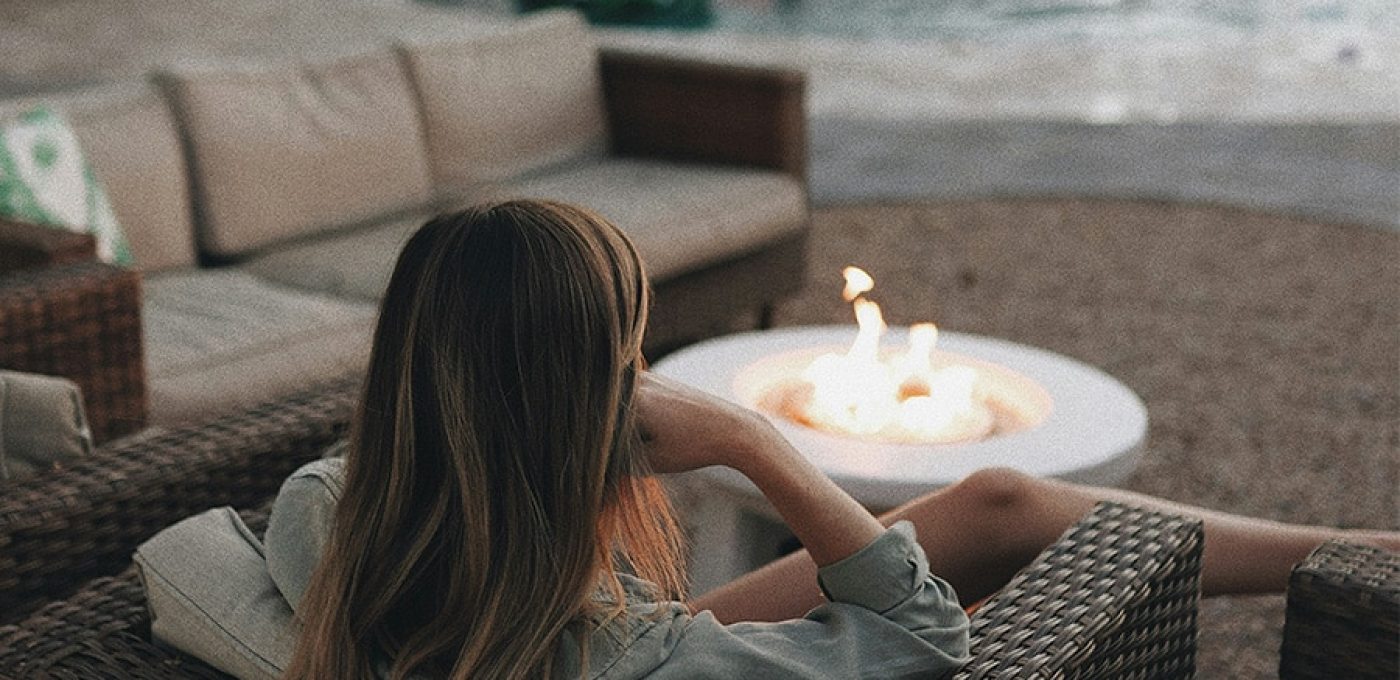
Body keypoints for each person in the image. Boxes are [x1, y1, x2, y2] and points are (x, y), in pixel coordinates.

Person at [278, 199, 1398, 680]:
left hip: (541, 629)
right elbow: (921, 634)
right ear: (585, 406)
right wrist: (750, 440)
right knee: (970, 553)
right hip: (596, 647)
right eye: (629, 351)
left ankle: (1357, 542)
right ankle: (1361, 556)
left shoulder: (326, 510)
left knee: (995, 494)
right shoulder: (651, 662)